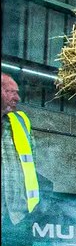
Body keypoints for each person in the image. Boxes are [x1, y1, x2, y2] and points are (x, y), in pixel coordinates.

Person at [1, 73, 39, 226]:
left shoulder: (21, 122)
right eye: (12, 92)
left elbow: (33, 161)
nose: (17, 98)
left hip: (18, 216)